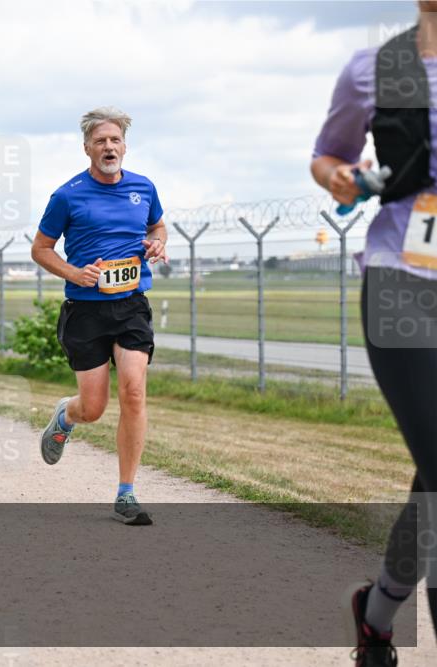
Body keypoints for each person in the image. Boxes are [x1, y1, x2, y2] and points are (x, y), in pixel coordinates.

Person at [311, 6, 437, 666]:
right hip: (403, 282)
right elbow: (327, 154)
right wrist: (337, 175)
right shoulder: (376, 68)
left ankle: (378, 609)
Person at [31, 106, 168, 526]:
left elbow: (158, 227)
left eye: (115, 140)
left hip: (130, 305)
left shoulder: (143, 188)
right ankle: (66, 416)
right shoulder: (67, 195)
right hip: (85, 309)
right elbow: (41, 248)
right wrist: (75, 272)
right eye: (100, 141)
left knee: (134, 391)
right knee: (94, 407)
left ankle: (126, 492)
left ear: (124, 146)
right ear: (87, 147)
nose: (108, 147)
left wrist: (156, 243)